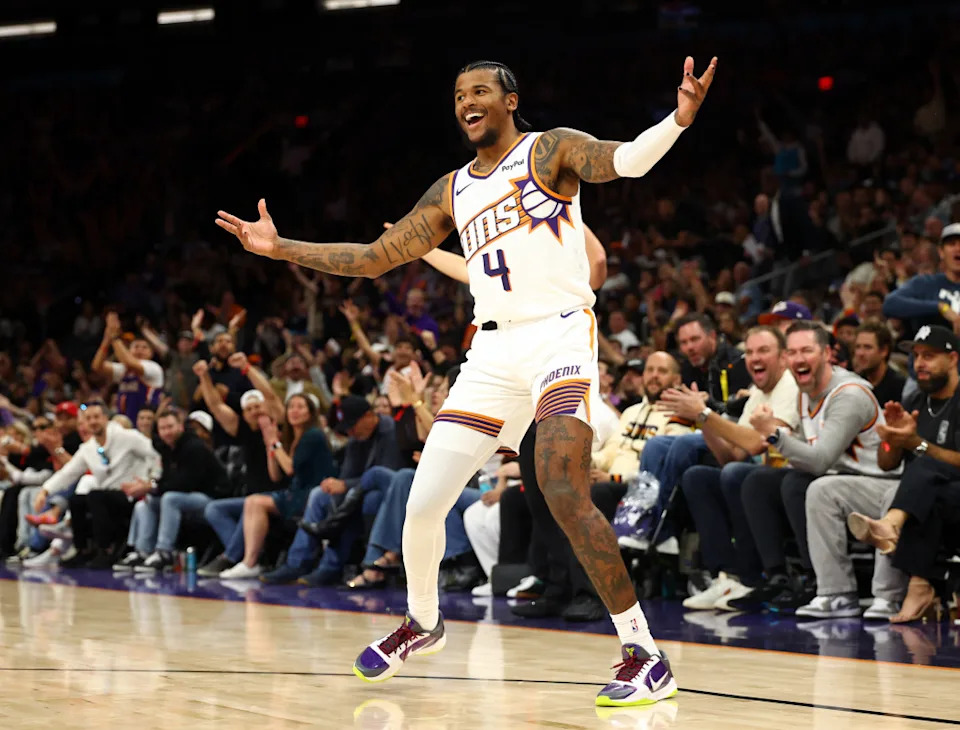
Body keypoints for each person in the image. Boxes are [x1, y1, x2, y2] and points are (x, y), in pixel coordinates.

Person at [217, 55, 718, 706]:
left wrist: (678, 119)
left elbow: (625, 161)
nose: (467, 101)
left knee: (564, 489)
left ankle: (644, 653)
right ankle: (423, 622)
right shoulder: (452, 189)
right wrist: (284, 249)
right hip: (491, 356)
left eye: (480, 90)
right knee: (423, 502)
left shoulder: (549, 151)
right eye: (458, 94)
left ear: (511, 100)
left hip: (559, 335)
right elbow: (374, 260)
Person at [662, 326, 799, 609]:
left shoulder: (790, 386)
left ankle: (751, 578)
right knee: (697, 477)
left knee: (739, 475)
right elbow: (732, 455)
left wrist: (704, 414)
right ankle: (725, 576)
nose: (754, 358)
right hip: (759, 477)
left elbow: (757, 445)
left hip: (792, 479)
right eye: (749, 352)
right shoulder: (758, 395)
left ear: (783, 358)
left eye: (763, 351)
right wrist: (702, 422)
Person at [847, 325, 960, 622]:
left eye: (930, 356)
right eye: (917, 355)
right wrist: (891, 438)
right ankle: (918, 584)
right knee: (924, 488)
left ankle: (890, 527)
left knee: (923, 470)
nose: (920, 363)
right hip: (923, 496)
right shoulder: (914, 402)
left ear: (953, 359)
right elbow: (887, 463)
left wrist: (917, 444)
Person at [112, 407, 230, 572]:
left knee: (169, 498)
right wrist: (149, 487)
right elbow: (167, 479)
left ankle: (164, 552)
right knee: (145, 502)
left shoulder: (194, 447)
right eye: (162, 428)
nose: (167, 432)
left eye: (170, 427)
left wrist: (150, 487)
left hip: (210, 498)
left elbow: (185, 483)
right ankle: (142, 551)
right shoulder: (166, 448)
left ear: (180, 426)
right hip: (186, 497)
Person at [852, 321, 905, 407]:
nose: (860, 353)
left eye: (867, 347)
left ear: (884, 351)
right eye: (858, 347)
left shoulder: (900, 387)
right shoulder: (854, 383)